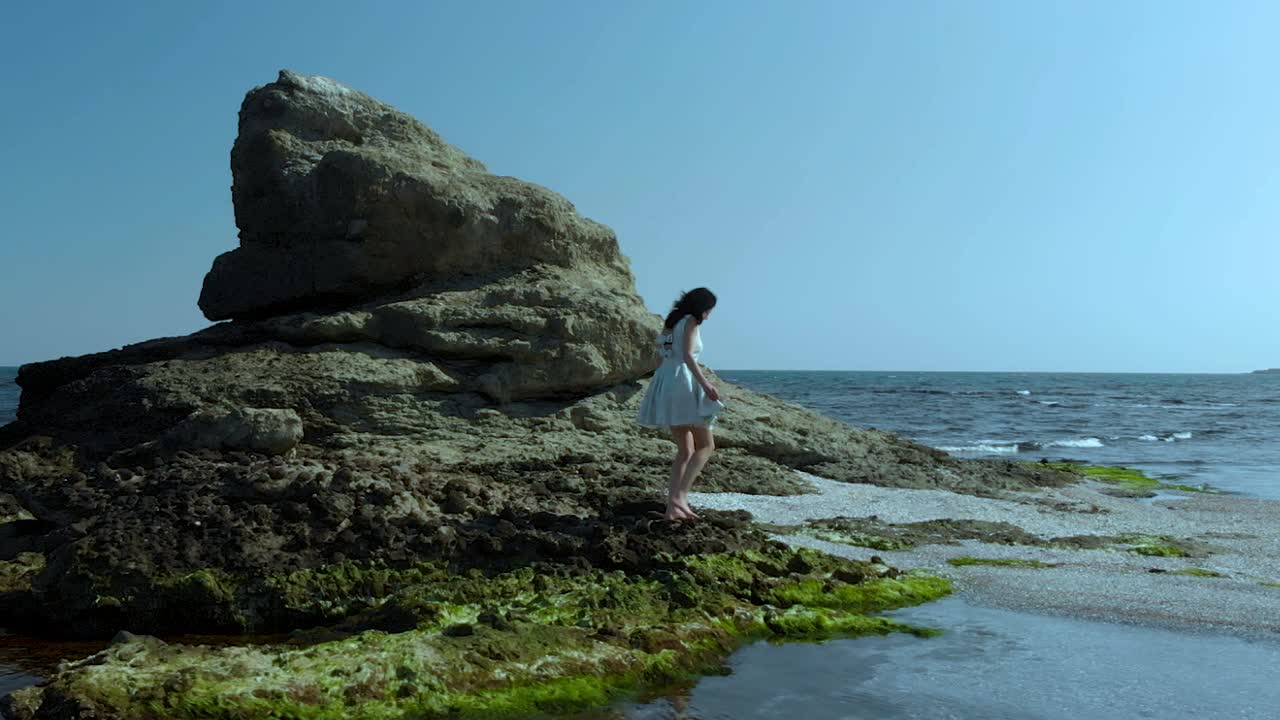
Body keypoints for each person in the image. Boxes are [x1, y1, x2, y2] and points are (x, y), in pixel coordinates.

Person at [636, 287, 726, 521]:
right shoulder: (691, 321)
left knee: (685, 450)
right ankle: (680, 498)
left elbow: (661, 356)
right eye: (709, 310)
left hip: (666, 381)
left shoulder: (671, 321)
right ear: (702, 308)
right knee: (706, 446)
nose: (709, 315)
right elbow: (687, 356)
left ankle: (673, 507)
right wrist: (706, 385)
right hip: (683, 383)